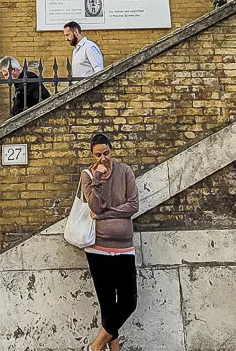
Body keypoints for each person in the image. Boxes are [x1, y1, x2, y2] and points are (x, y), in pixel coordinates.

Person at [79, 131, 138, 351]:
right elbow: (94, 206)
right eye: (97, 155)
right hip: (98, 250)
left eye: (106, 153)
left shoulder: (125, 172)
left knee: (129, 302)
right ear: (92, 155)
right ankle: (114, 349)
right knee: (107, 305)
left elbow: (133, 205)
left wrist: (107, 213)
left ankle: (95, 346)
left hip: (124, 247)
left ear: (111, 150)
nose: (103, 158)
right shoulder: (88, 176)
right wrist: (98, 181)